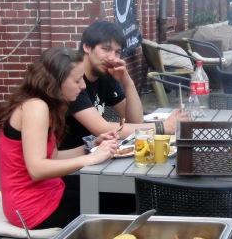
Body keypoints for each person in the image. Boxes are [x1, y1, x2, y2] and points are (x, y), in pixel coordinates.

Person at [0, 46, 118, 229]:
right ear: (56, 81)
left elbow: (51, 157)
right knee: (118, 203)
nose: (83, 86)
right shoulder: (36, 107)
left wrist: (92, 145)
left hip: (47, 190)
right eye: (77, 81)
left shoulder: (42, 103)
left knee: (113, 191)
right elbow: (37, 169)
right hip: (32, 208)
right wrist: (91, 158)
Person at [59, 20, 187, 150]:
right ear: (86, 47)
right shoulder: (73, 82)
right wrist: (162, 127)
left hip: (95, 154)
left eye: (117, 52)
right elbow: (101, 128)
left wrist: (128, 83)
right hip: (70, 162)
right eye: (106, 49)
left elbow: (135, 121)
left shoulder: (105, 74)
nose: (112, 57)